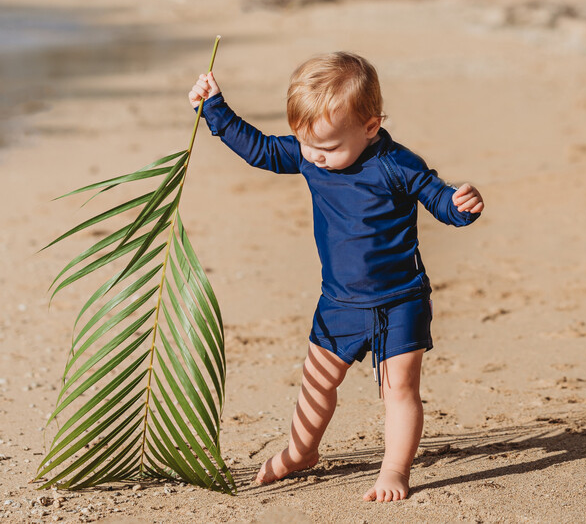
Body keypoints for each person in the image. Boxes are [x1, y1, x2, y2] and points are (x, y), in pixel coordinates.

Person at [189, 52, 484, 502]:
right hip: (339, 303)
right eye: (306, 144)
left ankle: (394, 470)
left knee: (399, 390)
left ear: (369, 127)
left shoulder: (396, 164)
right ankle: (301, 451)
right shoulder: (310, 156)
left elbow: (436, 196)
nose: (315, 157)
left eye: (327, 147)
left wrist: (459, 207)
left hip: (398, 300)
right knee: (317, 381)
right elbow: (262, 150)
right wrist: (215, 109)